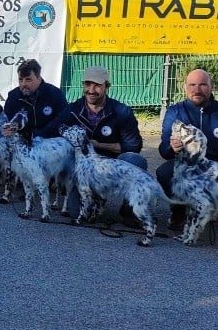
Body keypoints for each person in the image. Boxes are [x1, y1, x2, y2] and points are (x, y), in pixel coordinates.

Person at [42, 66, 146, 222]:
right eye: (87, 84)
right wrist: (24, 135)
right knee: (76, 214)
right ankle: (95, 198)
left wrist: (98, 145)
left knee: (135, 161)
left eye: (97, 85)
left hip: (112, 166)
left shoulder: (121, 111)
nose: (91, 90)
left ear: (107, 87)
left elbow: (133, 146)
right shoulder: (72, 110)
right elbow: (50, 130)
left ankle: (130, 210)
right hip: (85, 170)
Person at [157, 68, 218, 231]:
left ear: (211, 87)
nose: (197, 90)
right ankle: (179, 211)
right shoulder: (175, 112)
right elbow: (164, 151)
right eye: (192, 85)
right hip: (186, 165)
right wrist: (172, 148)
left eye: (203, 85)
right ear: (184, 87)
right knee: (164, 172)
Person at [0, 59, 67, 139]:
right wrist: (7, 129)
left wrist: (36, 135)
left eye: (28, 80)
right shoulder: (13, 96)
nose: (23, 84)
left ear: (39, 79)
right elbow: (7, 121)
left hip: (49, 140)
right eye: (21, 80)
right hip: (22, 140)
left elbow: (63, 122)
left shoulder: (55, 94)